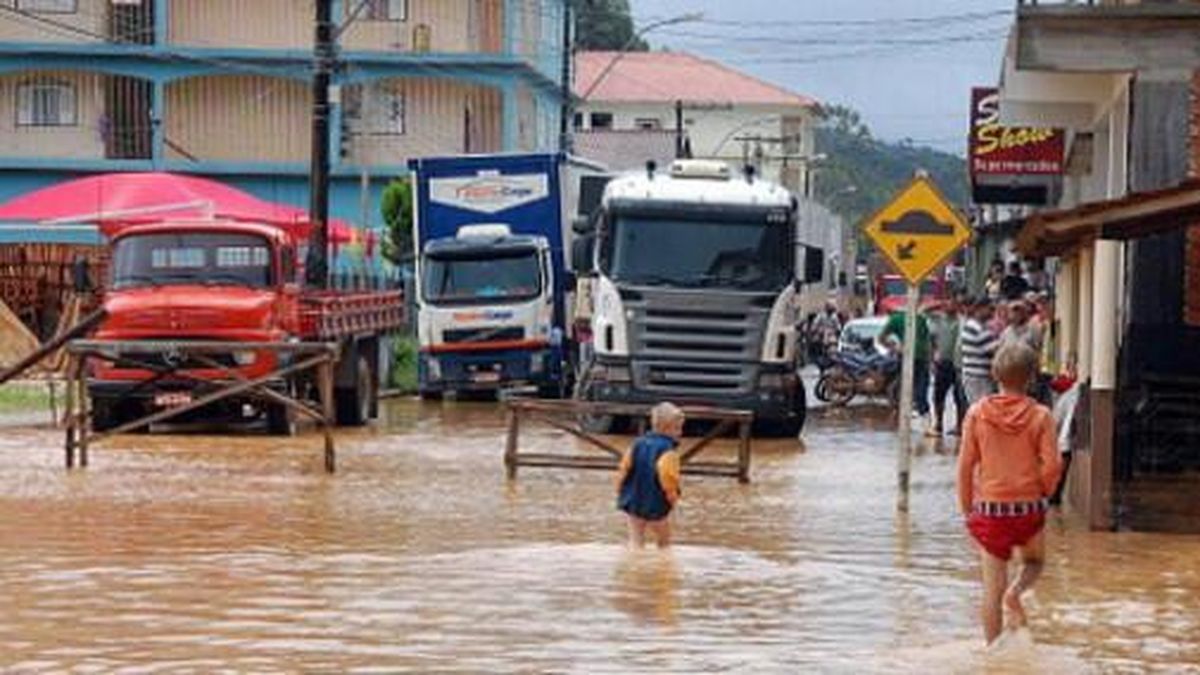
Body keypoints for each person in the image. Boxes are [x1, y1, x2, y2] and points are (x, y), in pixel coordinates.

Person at [957, 343, 1063, 645]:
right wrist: (1043, 492)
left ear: (994, 374)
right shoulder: (1041, 415)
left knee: (991, 590)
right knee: (1034, 563)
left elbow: (965, 467)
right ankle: (1016, 593)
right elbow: (1053, 464)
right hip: (1028, 508)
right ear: (1031, 377)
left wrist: (967, 510)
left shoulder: (977, 414)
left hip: (991, 511)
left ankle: (993, 655)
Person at [617, 402, 684, 549]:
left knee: (636, 539)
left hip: (633, 500)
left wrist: (620, 489)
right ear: (668, 428)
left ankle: (635, 566)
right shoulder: (668, 450)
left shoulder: (637, 444)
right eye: (678, 428)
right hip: (656, 503)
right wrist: (672, 497)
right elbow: (667, 476)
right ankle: (661, 569)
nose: (680, 433)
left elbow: (624, 468)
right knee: (664, 542)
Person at [877, 306, 933, 434]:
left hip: (909, 358)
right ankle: (924, 423)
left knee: (908, 390)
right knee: (919, 390)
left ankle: (910, 420)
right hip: (919, 359)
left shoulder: (898, 319)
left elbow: (881, 338)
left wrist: (894, 348)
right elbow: (928, 341)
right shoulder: (920, 318)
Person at [930, 298, 968, 437]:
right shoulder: (938, 320)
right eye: (947, 303)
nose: (950, 306)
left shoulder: (962, 321)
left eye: (953, 303)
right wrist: (932, 360)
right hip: (942, 362)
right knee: (938, 395)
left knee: (959, 397)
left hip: (958, 363)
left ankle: (959, 426)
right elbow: (932, 340)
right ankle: (938, 423)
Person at [961, 297, 1000, 405]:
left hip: (975, 376)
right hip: (978, 377)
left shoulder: (975, 325)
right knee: (982, 408)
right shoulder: (977, 328)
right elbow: (995, 349)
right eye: (990, 309)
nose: (992, 313)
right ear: (980, 309)